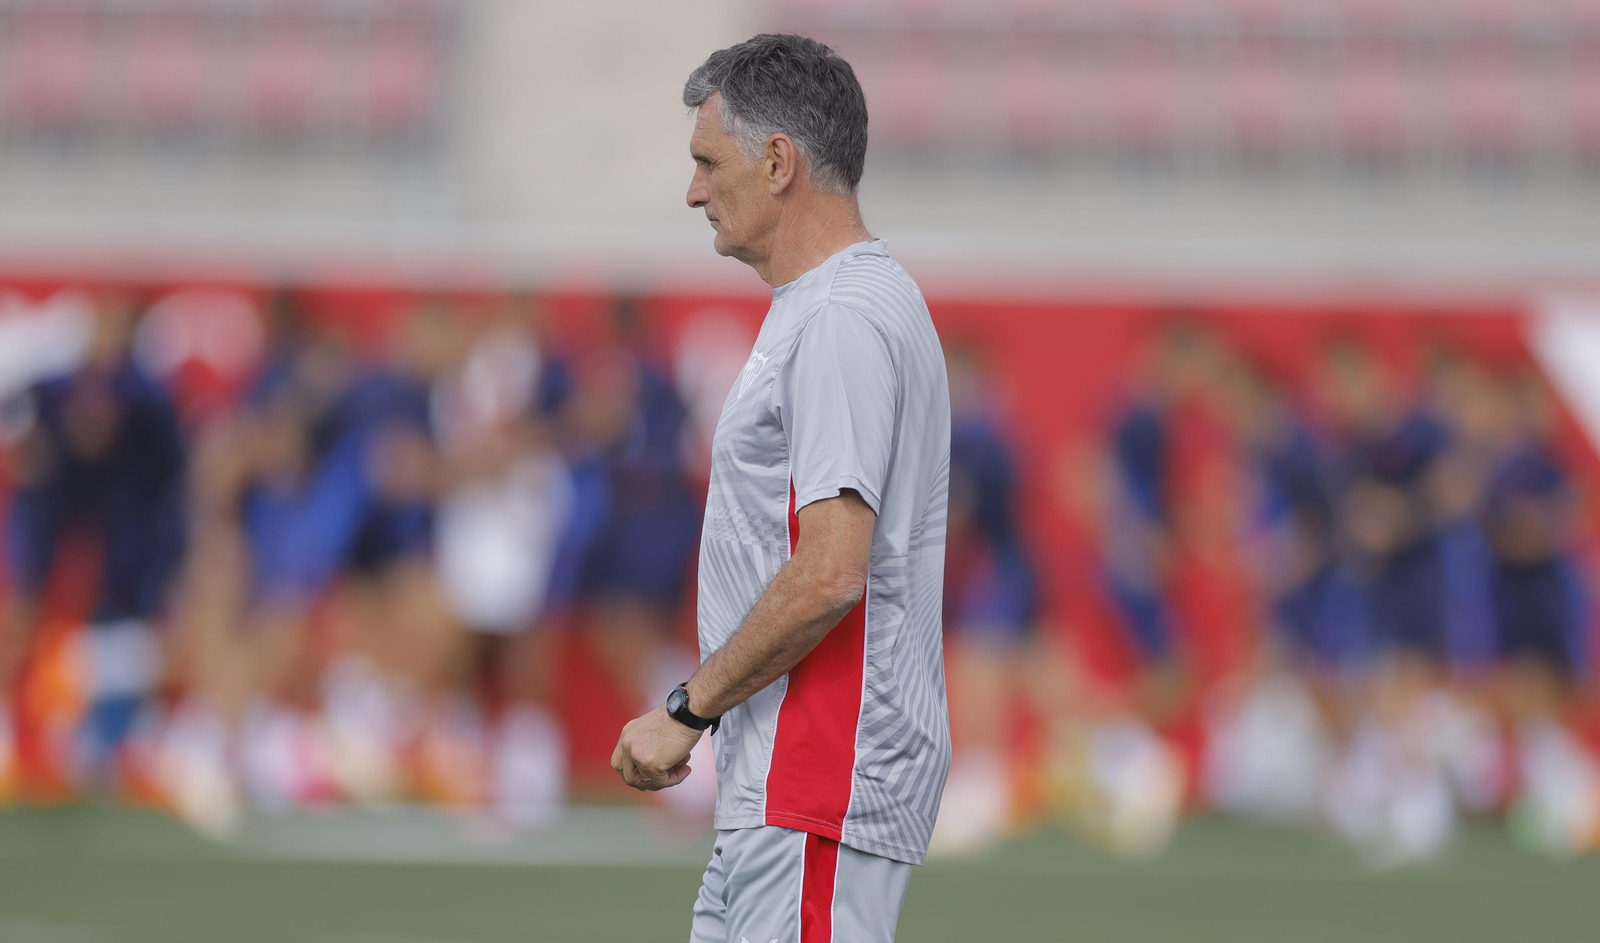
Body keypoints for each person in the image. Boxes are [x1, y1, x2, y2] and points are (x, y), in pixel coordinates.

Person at [609, 34, 952, 943]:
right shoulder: (839, 304)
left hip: (821, 765)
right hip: (792, 773)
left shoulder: (838, 317)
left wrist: (686, 709)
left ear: (777, 161)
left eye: (705, 161)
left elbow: (831, 568)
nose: (692, 191)